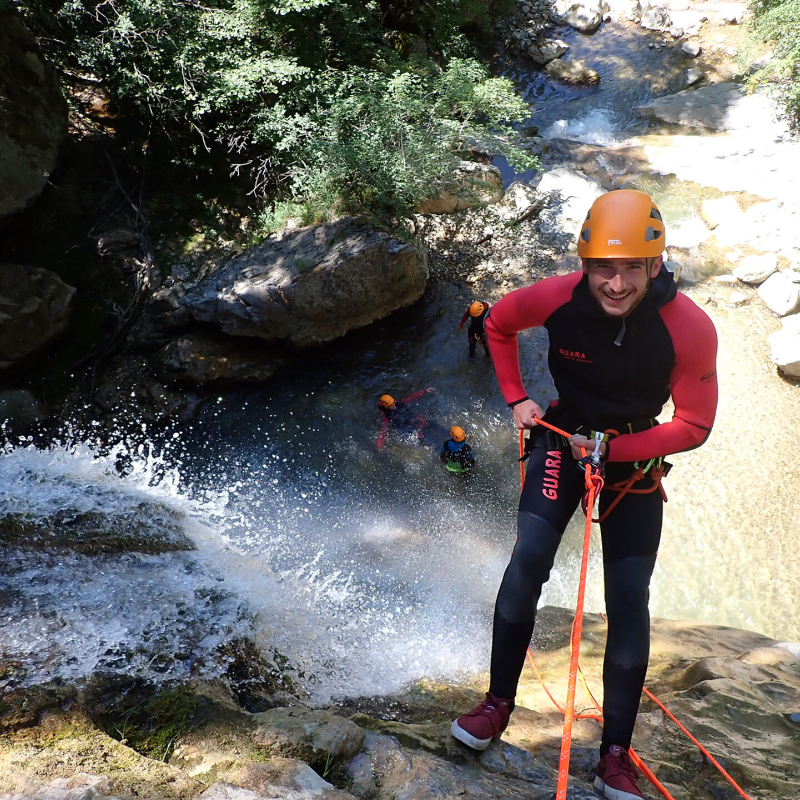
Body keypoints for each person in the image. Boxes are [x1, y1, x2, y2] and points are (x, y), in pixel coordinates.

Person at [449, 190, 718, 800]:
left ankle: (616, 755)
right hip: (563, 436)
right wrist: (517, 397)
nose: (616, 284)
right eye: (603, 267)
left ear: (657, 263)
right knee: (529, 558)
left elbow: (696, 425)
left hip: (635, 455)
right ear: (585, 262)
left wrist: (612, 451)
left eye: (630, 268)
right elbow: (496, 323)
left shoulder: (689, 328)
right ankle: (496, 706)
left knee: (628, 596)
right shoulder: (559, 297)